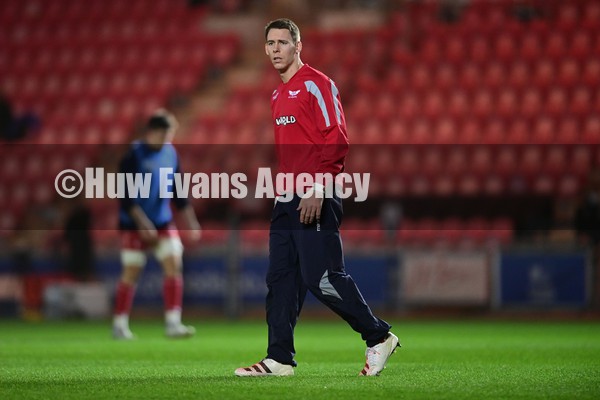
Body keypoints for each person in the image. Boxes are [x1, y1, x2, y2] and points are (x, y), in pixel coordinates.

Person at [235, 18, 399, 377]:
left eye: (283, 42)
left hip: (316, 195)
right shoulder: (277, 94)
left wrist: (319, 188)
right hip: (285, 199)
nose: (276, 49)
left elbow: (337, 137)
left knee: (322, 278)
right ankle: (278, 358)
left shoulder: (317, 84)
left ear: (298, 46)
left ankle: (378, 336)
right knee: (280, 280)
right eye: (270, 43)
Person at [112, 109, 201, 339]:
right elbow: (125, 195)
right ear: (151, 132)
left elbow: (179, 191)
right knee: (132, 270)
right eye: (164, 133)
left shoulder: (171, 153)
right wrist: (142, 223)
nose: (167, 139)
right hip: (134, 223)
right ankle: (119, 324)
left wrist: (190, 221)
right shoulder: (134, 155)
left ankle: (173, 322)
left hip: (162, 221)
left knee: (174, 264)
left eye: (170, 134)